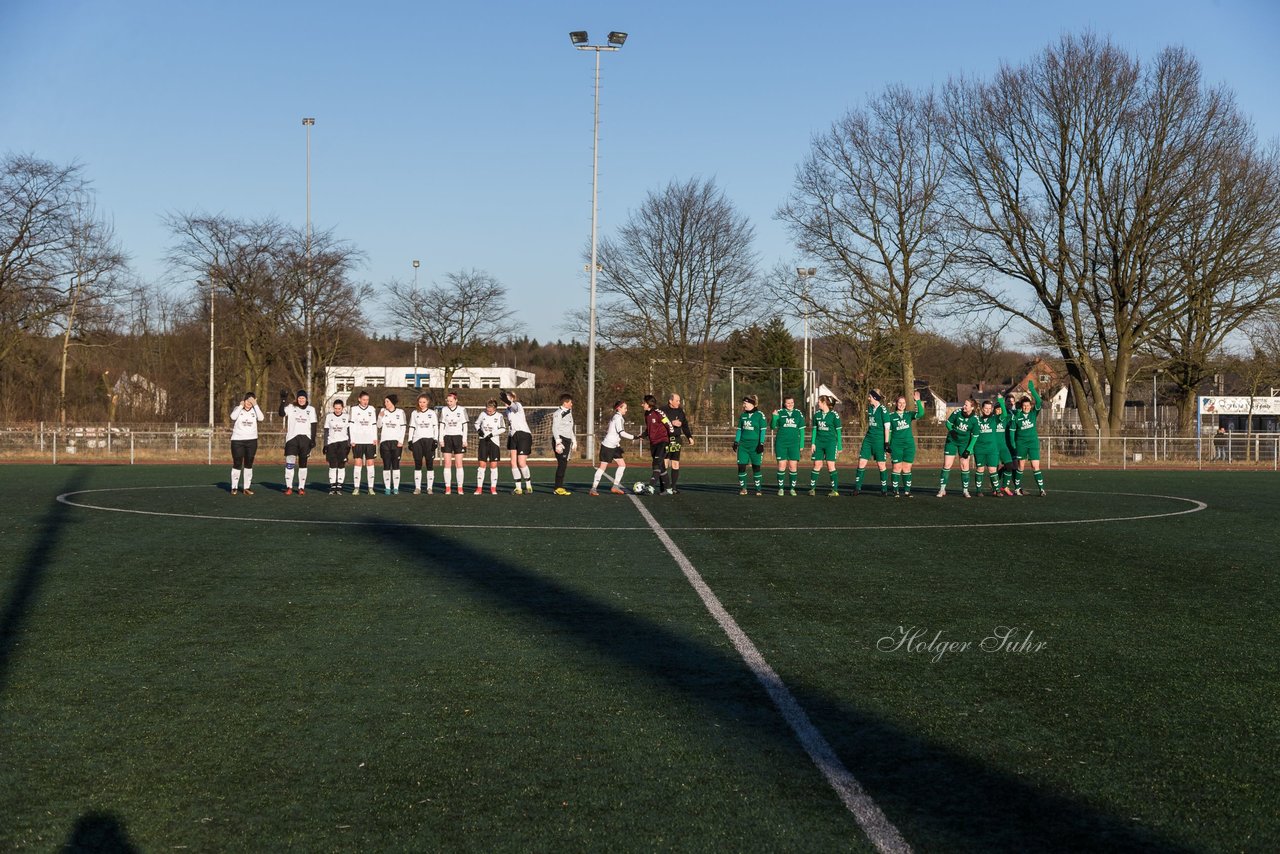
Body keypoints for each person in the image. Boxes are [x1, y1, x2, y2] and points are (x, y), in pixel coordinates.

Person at [937, 398, 980, 498]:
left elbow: (975, 436)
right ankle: (942, 489)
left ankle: (965, 491)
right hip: (952, 441)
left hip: (964, 444)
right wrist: (951, 431)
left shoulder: (975, 419)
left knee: (964, 466)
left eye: (966, 405)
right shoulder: (957, 412)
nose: (964, 406)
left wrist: (969, 449)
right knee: (947, 464)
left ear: (972, 407)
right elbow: (948, 423)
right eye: (964, 404)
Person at [886, 391, 925, 498]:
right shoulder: (891, 416)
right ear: (896, 403)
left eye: (903, 403)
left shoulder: (909, 414)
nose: (902, 405)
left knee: (907, 468)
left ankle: (907, 491)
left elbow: (921, 414)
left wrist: (917, 400)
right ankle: (895, 491)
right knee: (897, 468)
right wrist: (887, 444)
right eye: (899, 403)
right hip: (896, 445)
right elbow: (888, 431)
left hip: (909, 445)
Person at [279, 389, 317, 495]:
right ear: (297, 399)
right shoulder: (291, 407)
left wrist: (313, 440)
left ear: (306, 399)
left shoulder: (311, 409)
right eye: (299, 398)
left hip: (305, 439)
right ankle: (289, 487)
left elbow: (314, 425)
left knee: (303, 464)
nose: (301, 400)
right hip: (292, 439)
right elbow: (281, 413)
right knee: (290, 463)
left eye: (303, 398)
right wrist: (283, 401)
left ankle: (301, 487)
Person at [591, 400, 633, 496]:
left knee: (622, 465)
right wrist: (634, 437)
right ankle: (593, 488)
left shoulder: (618, 417)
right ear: (619, 408)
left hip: (614, 446)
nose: (626, 410)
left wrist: (618, 444)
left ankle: (615, 486)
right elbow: (621, 433)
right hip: (608, 446)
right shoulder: (617, 418)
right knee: (603, 467)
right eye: (625, 408)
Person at [853, 390, 891, 497]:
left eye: (870, 396)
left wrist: (886, 442)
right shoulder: (869, 408)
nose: (868, 398)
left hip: (879, 440)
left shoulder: (883, 410)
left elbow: (887, 427)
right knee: (861, 463)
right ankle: (857, 488)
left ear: (874, 397)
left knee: (881, 465)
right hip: (868, 439)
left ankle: (884, 489)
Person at [1013, 380, 1046, 496]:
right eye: (1024, 406)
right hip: (1021, 443)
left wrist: (1032, 390)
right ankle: (1017, 488)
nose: (1026, 407)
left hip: (1032, 443)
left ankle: (1041, 489)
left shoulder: (1033, 413)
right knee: (1021, 466)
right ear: (1021, 407)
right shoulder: (1017, 415)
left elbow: (1039, 401)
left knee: (1035, 466)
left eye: (1028, 405)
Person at [228, 392, 264, 495]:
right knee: (237, 462)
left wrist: (256, 405)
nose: (249, 403)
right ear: (244, 400)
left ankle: (246, 488)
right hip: (237, 440)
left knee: (249, 463)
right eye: (248, 400)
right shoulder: (238, 409)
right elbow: (233, 417)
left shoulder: (255, 410)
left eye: (252, 401)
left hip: (252, 441)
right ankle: (234, 487)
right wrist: (240, 405)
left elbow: (261, 418)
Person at [770, 396, 806, 496]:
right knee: (782, 466)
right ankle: (781, 489)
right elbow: (773, 426)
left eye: (792, 402)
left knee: (793, 467)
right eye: (788, 403)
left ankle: (792, 489)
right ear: (784, 404)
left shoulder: (798, 413)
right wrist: (774, 417)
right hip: (781, 443)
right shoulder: (780, 412)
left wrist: (801, 444)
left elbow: (802, 430)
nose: (790, 405)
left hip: (794, 444)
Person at [808, 395, 842, 496]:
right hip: (819, 443)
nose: (818, 403)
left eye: (819, 402)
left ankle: (835, 490)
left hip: (830, 443)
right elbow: (814, 430)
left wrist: (839, 446)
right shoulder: (817, 415)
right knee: (817, 465)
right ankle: (812, 489)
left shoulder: (834, 415)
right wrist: (813, 443)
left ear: (824, 403)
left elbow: (838, 432)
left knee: (830, 466)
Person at [501, 390, 534, 494]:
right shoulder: (507, 410)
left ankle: (528, 485)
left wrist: (507, 400)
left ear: (512, 398)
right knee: (512, 462)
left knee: (521, 462)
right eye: (504, 398)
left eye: (507, 398)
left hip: (523, 435)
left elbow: (513, 407)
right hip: (512, 435)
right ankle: (518, 488)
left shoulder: (517, 405)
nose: (504, 401)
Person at [734, 395, 768, 496]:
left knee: (756, 467)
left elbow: (763, 431)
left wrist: (761, 443)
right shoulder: (743, 416)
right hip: (743, 446)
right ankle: (743, 489)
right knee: (741, 466)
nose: (744, 405)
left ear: (752, 403)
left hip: (755, 445)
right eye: (743, 403)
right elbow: (740, 430)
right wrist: (736, 442)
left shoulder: (760, 415)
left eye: (745, 403)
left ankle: (758, 489)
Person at [660, 393, 694, 493]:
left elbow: (685, 425)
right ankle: (664, 487)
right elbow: (659, 422)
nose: (679, 402)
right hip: (666, 439)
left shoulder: (680, 411)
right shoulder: (662, 410)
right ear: (671, 401)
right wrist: (671, 422)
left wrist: (689, 437)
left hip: (676, 439)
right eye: (677, 400)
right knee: (665, 463)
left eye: (679, 400)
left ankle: (673, 488)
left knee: (675, 463)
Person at [347, 390, 379, 495]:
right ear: (359, 399)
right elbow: (351, 425)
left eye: (367, 400)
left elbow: (374, 424)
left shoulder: (371, 409)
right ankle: (356, 487)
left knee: (370, 463)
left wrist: (375, 438)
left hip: (370, 441)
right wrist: (352, 439)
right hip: (358, 441)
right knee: (358, 463)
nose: (366, 401)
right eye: (364, 399)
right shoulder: (354, 409)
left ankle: (370, 488)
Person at [971, 399, 1004, 497]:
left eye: (989, 408)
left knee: (992, 470)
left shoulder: (995, 419)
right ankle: (978, 490)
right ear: (982, 409)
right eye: (986, 408)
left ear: (992, 409)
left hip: (992, 449)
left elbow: (1005, 415)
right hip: (979, 449)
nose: (987, 410)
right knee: (980, 469)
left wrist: (1001, 401)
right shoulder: (977, 419)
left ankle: (997, 490)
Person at [408, 392, 440, 495]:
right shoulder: (414, 413)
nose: (422, 404)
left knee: (429, 464)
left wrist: (435, 440)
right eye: (420, 402)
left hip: (429, 440)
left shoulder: (432, 413)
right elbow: (412, 427)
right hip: (417, 440)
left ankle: (429, 488)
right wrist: (410, 440)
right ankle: (417, 488)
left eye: (424, 402)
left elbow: (435, 427)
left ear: (428, 402)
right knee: (418, 464)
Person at [641, 394, 673, 494]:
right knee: (661, 466)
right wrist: (643, 435)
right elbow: (649, 428)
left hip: (662, 442)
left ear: (648, 404)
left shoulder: (658, 413)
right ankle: (668, 489)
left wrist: (671, 440)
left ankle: (651, 487)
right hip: (653, 443)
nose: (642, 405)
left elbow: (669, 424)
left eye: (644, 403)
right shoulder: (646, 414)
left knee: (656, 464)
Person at [474, 398, 507, 495]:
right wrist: (479, 430)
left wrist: (492, 434)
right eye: (487, 410)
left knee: (493, 466)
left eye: (490, 410)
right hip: (483, 441)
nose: (488, 412)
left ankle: (493, 488)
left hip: (494, 442)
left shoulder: (499, 416)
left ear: (495, 409)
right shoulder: (482, 414)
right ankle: (479, 488)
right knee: (482, 465)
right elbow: (476, 423)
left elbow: (503, 429)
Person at [439, 391, 469, 495]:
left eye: (451, 401)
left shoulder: (462, 410)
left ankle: (460, 487)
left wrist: (464, 439)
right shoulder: (444, 410)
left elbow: (465, 426)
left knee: (458, 464)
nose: (449, 403)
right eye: (448, 401)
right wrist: (441, 439)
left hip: (458, 438)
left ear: (456, 400)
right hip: (447, 438)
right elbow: (442, 425)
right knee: (447, 463)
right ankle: (448, 487)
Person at [377, 394, 406, 494]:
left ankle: (396, 488)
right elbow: (379, 426)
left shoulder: (400, 412)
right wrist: (380, 417)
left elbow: (403, 427)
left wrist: (401, 441)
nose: (385, 403)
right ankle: (388, 488)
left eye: (387, 401)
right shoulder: (382, 411)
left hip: (396, 442)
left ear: (392, 402)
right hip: (385, 442)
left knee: (396, 465)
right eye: (385, 402)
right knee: (386, 465)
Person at [322, 399, 351, 495]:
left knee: (341, 465)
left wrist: (349, 444)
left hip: (343, 443)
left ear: (343, 408)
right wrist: (325, 444)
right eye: (336, 408)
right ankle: (333, 486)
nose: (337, 410)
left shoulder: (346, 417)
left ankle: (339, 486)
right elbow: (326, 431)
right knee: (332, 464)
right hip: (331, 443)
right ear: (333, 408)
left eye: (339, 408)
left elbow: (349, 431)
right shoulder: (329, 416)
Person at [551, 394, 575, 495]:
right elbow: (555, 428)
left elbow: (570, 429)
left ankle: (559, 487)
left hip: (567, 441)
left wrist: (574, 440)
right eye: (570, 402)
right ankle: (558, 488)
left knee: (564, 463)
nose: (571, 404)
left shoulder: (569, 413)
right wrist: (558, 442)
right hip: (561, 441)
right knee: (562, 463)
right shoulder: (558, 413)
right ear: (565, 403)